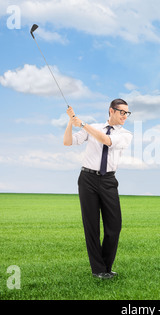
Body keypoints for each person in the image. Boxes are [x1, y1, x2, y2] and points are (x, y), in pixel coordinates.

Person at [63, 99, 133, 279]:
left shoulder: (125, 134)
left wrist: (83, 124)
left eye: (127, 113)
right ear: (111, 111)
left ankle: (106, 267)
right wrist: (71, 123)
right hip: (87, 179)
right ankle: (98, 270)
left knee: (114, 227)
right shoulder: (93, 127)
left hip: (108, 180)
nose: (125, 116)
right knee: (91, 226)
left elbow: (106, 140)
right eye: (122, 112)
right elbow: (68, 142)